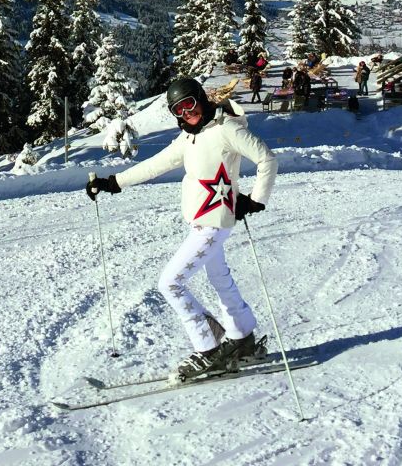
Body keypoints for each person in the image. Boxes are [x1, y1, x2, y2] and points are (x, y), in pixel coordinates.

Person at [86, 77, 277, 383]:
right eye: (179, 111)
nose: (187, 114)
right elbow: (154, 165)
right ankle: (241, 336)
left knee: (170, 283)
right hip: (202, 223)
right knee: (220, 280)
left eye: (190, 105)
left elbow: (267, 159)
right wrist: (114, 182)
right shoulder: (189, 138)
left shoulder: (227, 130)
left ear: (201, 98)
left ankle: (209, 347)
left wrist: (255, 200)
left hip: (214, 222)